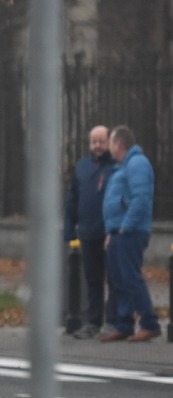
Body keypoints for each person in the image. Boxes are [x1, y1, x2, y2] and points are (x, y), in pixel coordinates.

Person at [100, 125, 161, 342]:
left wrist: (126, 226)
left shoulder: (137, 164)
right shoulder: (122, 167)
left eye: (110, 143)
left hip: (131, 231)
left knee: (130, 277)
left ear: (119, 144)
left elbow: (141, 199)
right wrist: (111, 231)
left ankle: (149, 322)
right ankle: (123, 323)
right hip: (118, 231)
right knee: (119, 279)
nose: (108, 148)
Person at [63, 125, 116, 338]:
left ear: (109, 142)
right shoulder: (83, 167)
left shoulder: (116, 168)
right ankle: (93, 322)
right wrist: (69, 226)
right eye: (93, 141)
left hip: (109, 233)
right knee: (93, 280)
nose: (97, 146)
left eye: (101, 141)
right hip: (87, 232)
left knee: (114, 280)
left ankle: (113, 322)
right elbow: (73, 198)